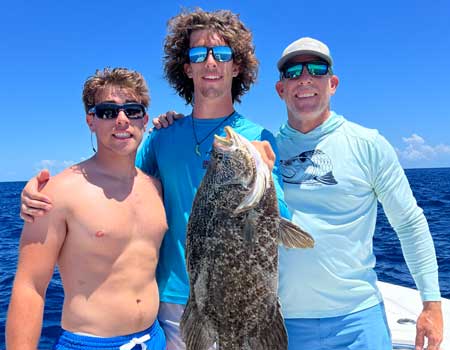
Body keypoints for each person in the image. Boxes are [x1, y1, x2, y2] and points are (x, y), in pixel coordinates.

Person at [18, 9, 288, 350]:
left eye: (221, 53)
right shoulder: (162, 136)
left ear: (237, 67)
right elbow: (122, 185)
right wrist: (44, 193)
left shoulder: (259, 138)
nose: (210, 62)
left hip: (239, 293)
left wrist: (267, 179)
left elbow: (282, 223)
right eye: (198, 54)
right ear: (186, 68)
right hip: (170, 304)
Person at [275, 37, 443, 350]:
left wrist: (432, 303)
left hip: (358, 321)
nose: (305, 78)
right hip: (280, 323)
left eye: (317, 69)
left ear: (333, 83)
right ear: (281, 89)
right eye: (293, 72)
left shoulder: (369, 144)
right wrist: (162, 124)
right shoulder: (263, 149)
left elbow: (409, 224)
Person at [7, 68, 167, 350]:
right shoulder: (58, 192)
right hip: (90, 344)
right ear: (90, 120)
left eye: (131, 110)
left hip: (155, 338)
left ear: (144, 118)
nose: (121, 120)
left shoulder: (157, 187)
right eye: (107, 112)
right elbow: (29, 287)